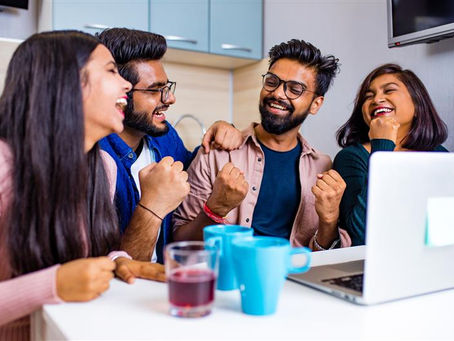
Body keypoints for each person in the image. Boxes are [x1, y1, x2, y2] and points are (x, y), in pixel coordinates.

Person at [0, 31, 165, 340]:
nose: (126, 84)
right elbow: (60, 277)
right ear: (66, 82)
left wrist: (117, 263)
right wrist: (53, 285)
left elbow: (81, 260)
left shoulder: (105, 167)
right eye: (111, 71)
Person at [173, 39, 351, 250]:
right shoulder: (217, 154)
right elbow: (180, 242)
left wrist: (329, 221)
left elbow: (322, 255)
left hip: (294, 280)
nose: (277, 93)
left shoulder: (322, 167)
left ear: (315, 104)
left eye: (295, 89)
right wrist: (215, 209)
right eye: (272, 81)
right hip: (229, 277)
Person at [97, 28, 243, 263]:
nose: (170, 99)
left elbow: (193, 167)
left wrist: (221, 130)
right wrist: (151, 205)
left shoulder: (164, 138)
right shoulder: (95, 159)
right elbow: (119, 270)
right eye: (155, 90)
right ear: (119, 93)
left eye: (167, 88)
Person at [333, 63, 448, 246]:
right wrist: (382, 146)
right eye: (368, 96)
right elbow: (362, 234)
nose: (377, 99)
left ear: (417, 104)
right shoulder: (352, 157)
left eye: (389, 91)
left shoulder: (439, 155)